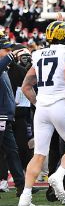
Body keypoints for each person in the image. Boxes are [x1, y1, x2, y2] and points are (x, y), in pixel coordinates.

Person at [18, 21, 65, 206]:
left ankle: (25, 196)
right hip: (62, 103)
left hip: (43, 107)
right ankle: (59, 175)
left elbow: (26, 86)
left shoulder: (37, 54)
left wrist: (39, 103)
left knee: (39, 154)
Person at [0, 42, 26, 198]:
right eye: (5, 49)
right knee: (10, 151)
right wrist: (12, 55)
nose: (8, 51)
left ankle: (21, 185)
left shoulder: (4, 67)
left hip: (5, 115)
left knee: (12, 151)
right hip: (1, 115)